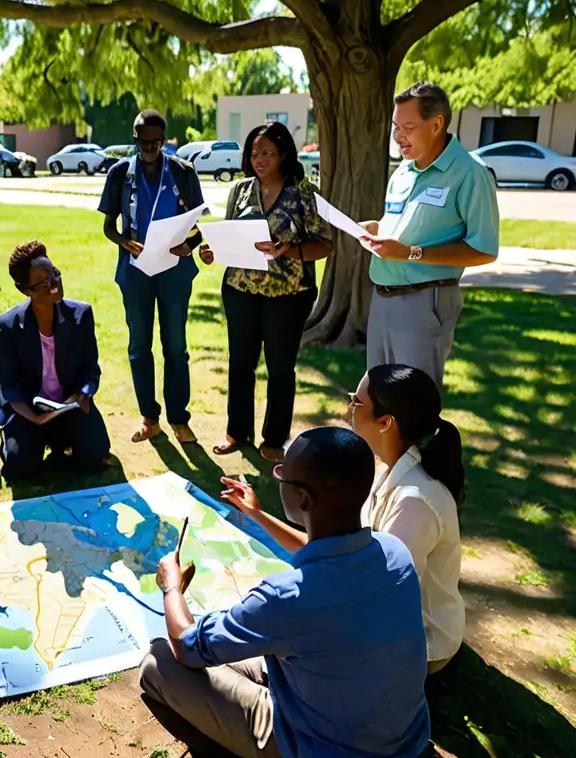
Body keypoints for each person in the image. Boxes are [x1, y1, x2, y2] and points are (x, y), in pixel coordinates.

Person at [139, 426, 431, 758]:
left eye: (282, 475)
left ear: (304, 498)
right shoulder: (393, 552)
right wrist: (257, 514)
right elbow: (324, 547)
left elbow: (187, 646)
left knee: (158, 661)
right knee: (241, 656)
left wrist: (171, 587)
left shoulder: (289, 598)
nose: (277, 479)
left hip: (322, 747)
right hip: (402, 740)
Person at [202, 122, 331, 462]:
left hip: (288, 295)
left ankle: (274, 439)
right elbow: (231, 234)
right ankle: (237, 431)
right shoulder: (241, 190)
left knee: (280, 367)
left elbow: (324, 245)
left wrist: (287, 249)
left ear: (283, 154)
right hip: (240, 289)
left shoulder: (304, 192)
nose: (258, 159)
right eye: (254, 153)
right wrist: (214, 251)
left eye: (267, 153)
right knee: (240, 363)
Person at [361, 81, 500, 389]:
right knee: (379, 400)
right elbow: (401, 224)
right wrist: (375, 229)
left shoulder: (470, 173)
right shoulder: (403, 171)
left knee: (412, 404)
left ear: (436, 124)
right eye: (396, 128)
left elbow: (485, 249)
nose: (398, 137)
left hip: (425, 301)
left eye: (407, 128)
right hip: (382, 298)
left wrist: (411, 253)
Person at [348, 364, 465, 673]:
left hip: (423, 645)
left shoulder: (414, 503)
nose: (349, 407)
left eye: (356, 402)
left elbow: (384, 595)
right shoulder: (390, 467)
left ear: (385, 422)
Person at [98, 109, 205, 445]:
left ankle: (178, 418)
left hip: (174, 272)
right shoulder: (119, 174)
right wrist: (123, 241)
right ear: (134, 138)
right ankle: (149, 418)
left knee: (175, 346)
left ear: (164, 140)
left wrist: (188, 245)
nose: (149, 148)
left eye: (156, 142)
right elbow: (108, 227)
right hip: (136, 272)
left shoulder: (183, 172)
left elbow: (198, 227)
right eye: (143, 142)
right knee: (139, 345)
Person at [0, 241, 111, 479]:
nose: (54, 282)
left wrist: (82, 394)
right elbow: (10, 383)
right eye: (43, 281)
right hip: (28, 409)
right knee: (19, 469)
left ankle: (61, 440)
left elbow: (90, 369)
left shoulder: (81, 314)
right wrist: (33, 417)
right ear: (26, 289)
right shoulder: (7, 325)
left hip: (70, 404)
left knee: (96, 457)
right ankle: (17, 436)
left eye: (54, 273)